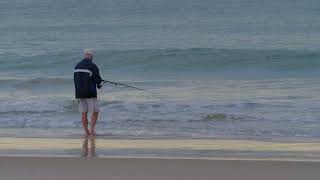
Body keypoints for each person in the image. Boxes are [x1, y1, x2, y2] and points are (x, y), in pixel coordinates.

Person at [74, 49, 102, 136]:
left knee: (84, 112)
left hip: (79, 92)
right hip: (90, 93)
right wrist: (99, 84)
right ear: (91, 56)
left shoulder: (77, 66)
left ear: (85, 55)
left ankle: (86, 132)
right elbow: (98, 80)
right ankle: (92, 130)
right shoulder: (93, 66)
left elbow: (76, 80)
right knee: (95, 111)